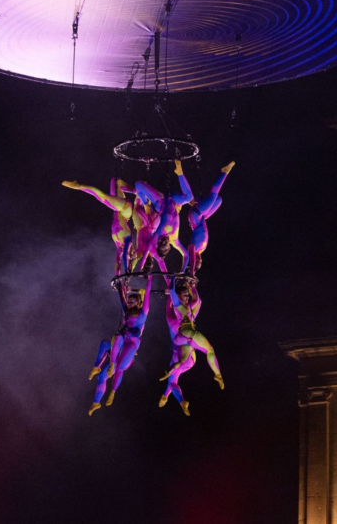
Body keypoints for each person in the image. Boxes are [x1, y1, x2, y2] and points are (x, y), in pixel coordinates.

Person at [158, 276, 223, 414]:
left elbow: (189, 302)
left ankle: (171, 397)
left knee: (172, 381)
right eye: (185, 295)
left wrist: (176, 286)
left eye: (187, 296)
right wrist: (190, 286)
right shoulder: (187, 312)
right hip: (190, 356)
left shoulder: (176, 315)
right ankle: (171, 397)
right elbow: (197, 301)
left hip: (180, 349)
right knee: (206, 351)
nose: (187, 298)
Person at [88, 278, 152, 416]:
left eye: (132, 301)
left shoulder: (143, 313)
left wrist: (149, 277)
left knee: (118, 367)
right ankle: (96, 402)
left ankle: (113, 392)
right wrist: (121, 279)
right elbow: (120, 296)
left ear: (138, 302)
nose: (129, 303)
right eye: (128, 301)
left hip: (129, 347)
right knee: (106, 346)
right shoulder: (126, 312)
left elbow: (147, 293)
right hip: (120, 344)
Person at [61, 177, 140, 275]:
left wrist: (118, 275)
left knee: (115, 181)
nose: (134, 251)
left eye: (132, 254)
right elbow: (124, 257)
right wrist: (128, 269)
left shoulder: (119, 246)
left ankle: (136, 191)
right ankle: (77, 185)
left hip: (117, 210)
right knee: (103, 197)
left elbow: (117, 261)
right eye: (135, 252)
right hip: (125, 210)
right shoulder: (128, 240)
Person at [132, 161, 194, 273]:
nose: (162, 241)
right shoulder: (175, 240)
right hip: (174, 201)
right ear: (169, 247)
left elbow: (146, 252)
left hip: (160, 202)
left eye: (160, 243)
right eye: (164, 245)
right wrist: (182, 271)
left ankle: (145, 204)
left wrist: (141, 267)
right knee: (189, 197)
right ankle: (179, 172)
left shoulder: (159, 233)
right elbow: (186, 255)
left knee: (138, 184)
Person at [181, 161, 235, 276]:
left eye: (196, 261)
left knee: (213, 196)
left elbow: (190, 259)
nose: (198, 259)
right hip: (203, 217)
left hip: (195, 216)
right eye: (200, 262)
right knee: (218, 200)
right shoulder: (202, 249)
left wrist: (191, 273)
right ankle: (196, 201)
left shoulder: (191, 248)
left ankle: (225, 172)